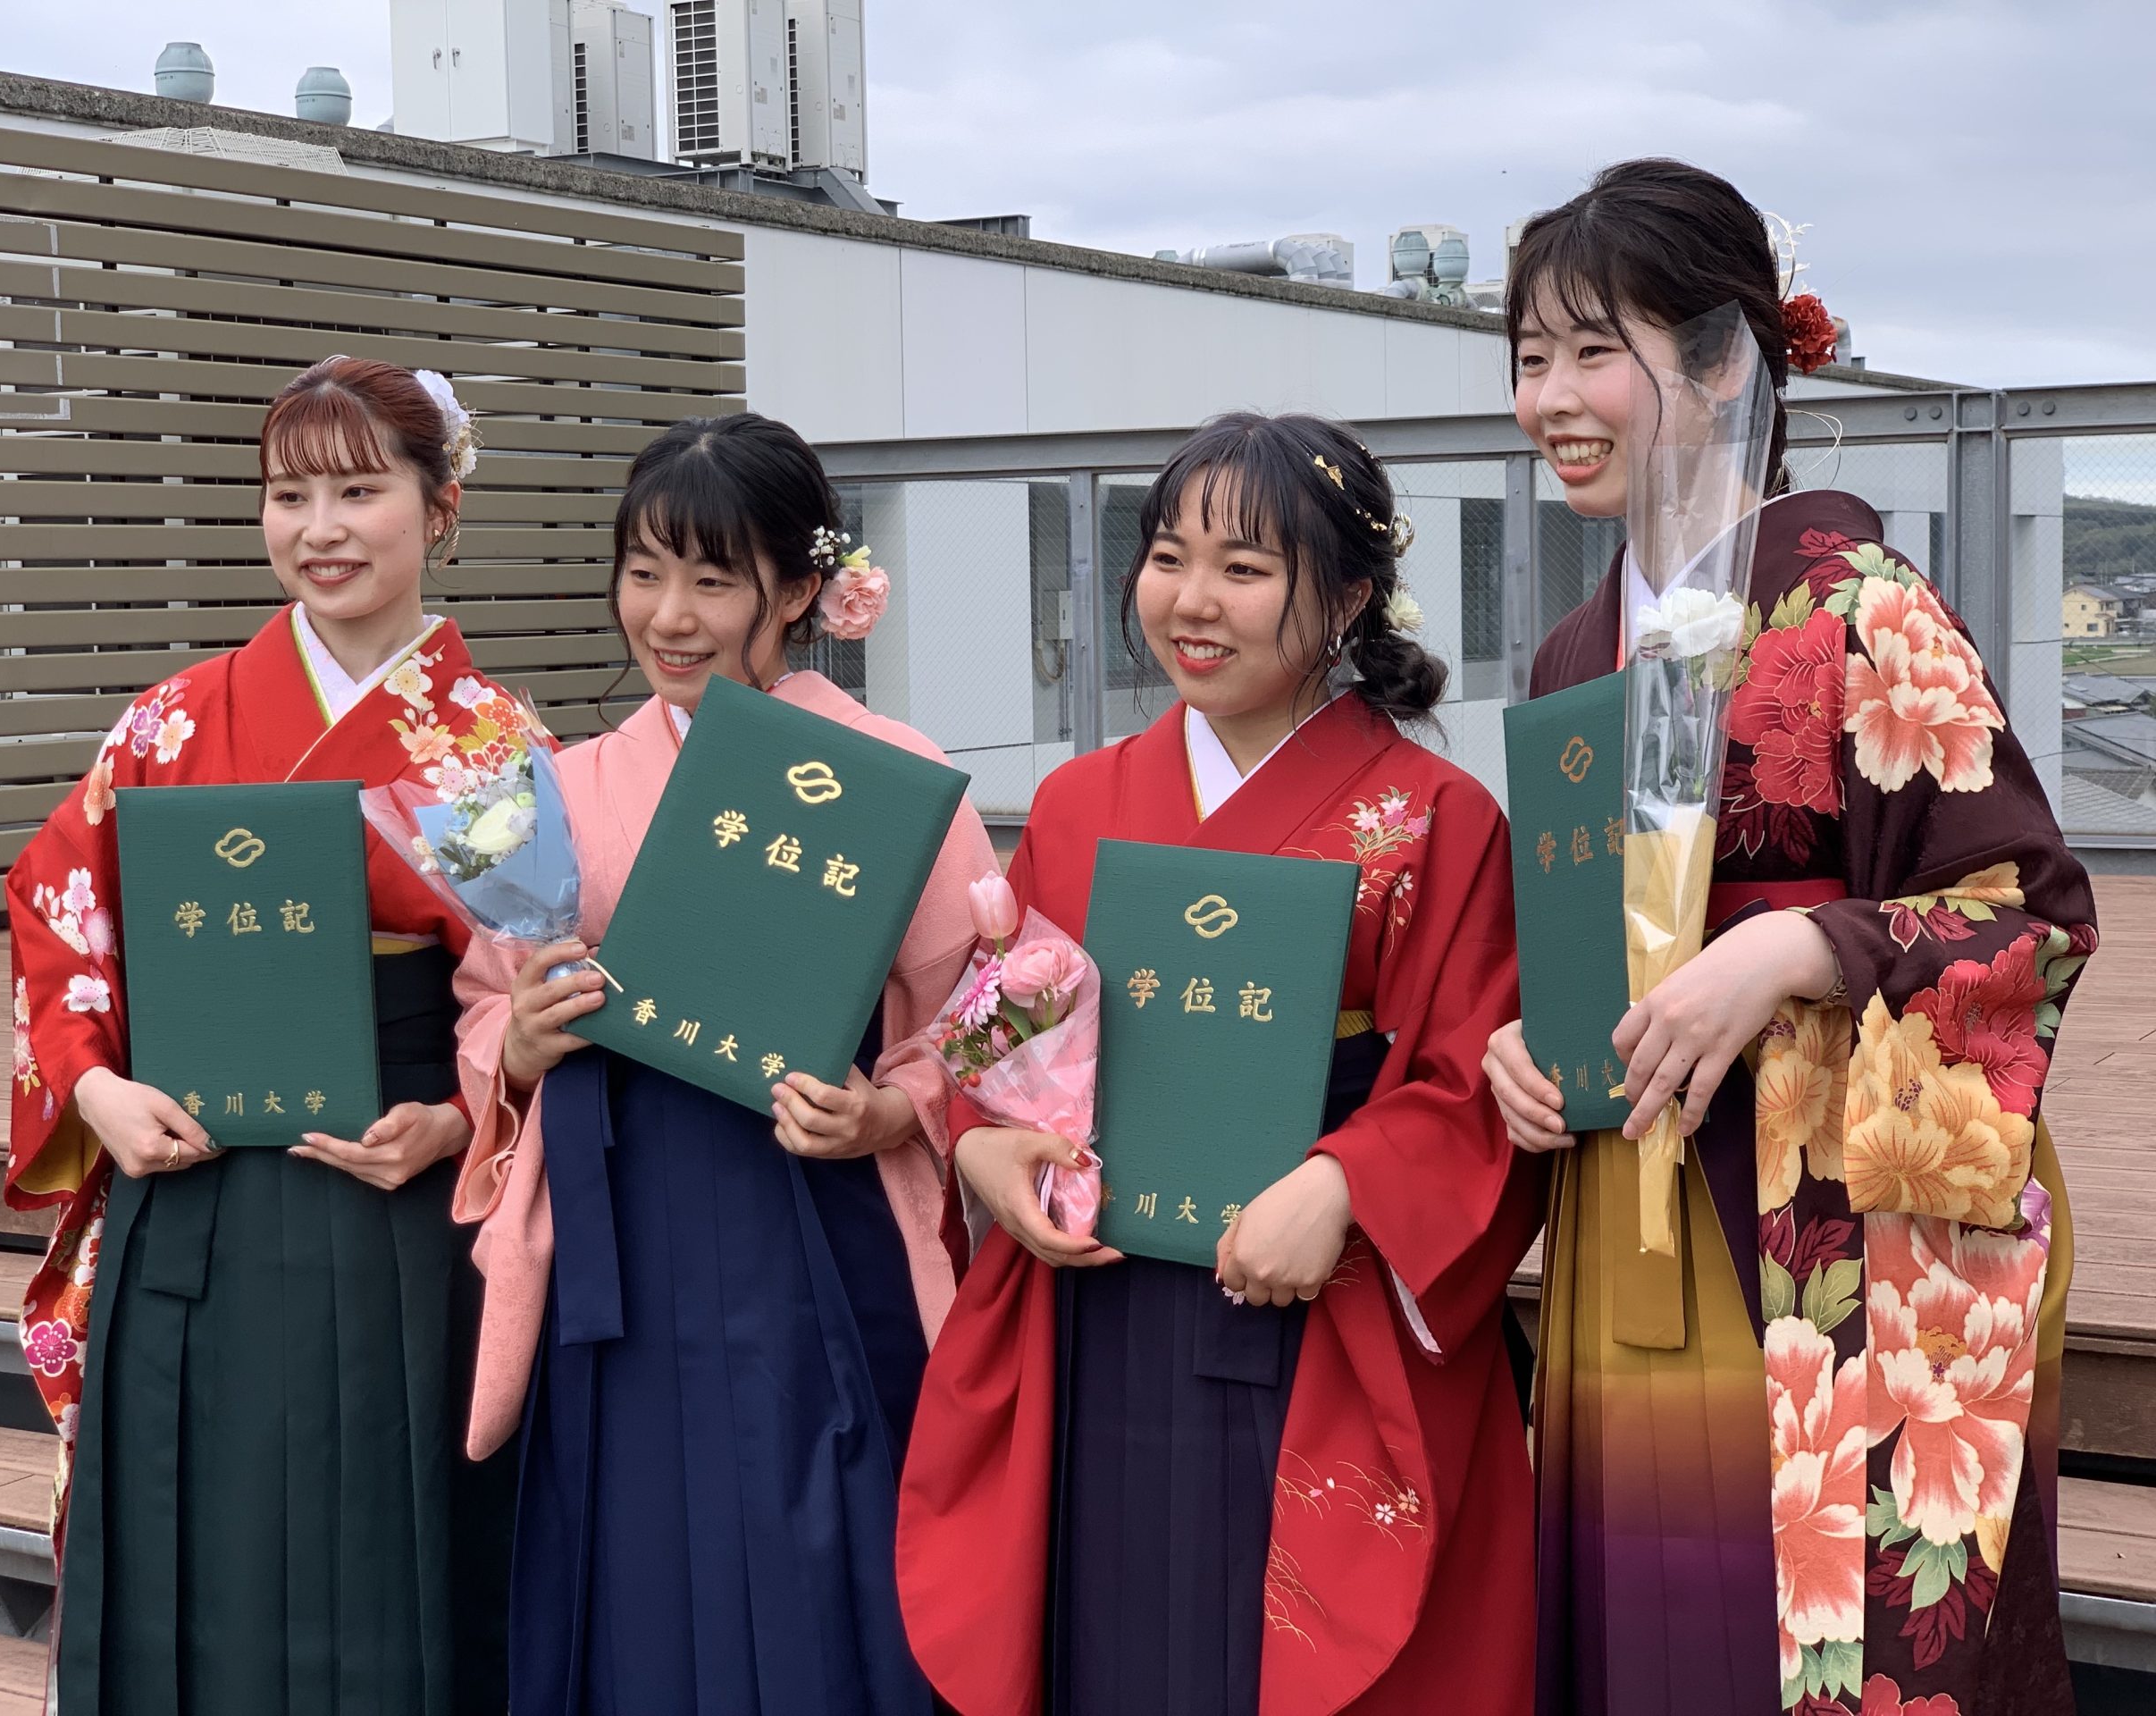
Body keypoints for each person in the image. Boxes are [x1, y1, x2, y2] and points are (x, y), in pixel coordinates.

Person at [1488, 159, 2098, 1716]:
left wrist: (1795, 950)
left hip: (1824, 1219)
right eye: (1530, 356)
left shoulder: (1858, 606)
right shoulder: (1573, 653)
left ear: (1720, 362)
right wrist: (1522, 1042)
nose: (1549, 397)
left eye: (1592, 352)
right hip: (1627, 1194)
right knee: (1647, 1618)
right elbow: (1573, 927)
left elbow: (2028, 915)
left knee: (1813, 1626)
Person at [898, 412, 1545, 1716]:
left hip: (1316, 1289)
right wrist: (984, 1145)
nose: (1192, 602)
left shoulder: (1435, 818)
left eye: (1244, 569)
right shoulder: (1080, 800)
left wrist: (1348, 1184)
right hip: (1098, 1295)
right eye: (1168, 558)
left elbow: (1477, 1078)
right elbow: (999, 1033)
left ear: (1347, 598)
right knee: (1111, 1627)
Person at [449, 411, 999, 1716]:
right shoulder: (551, 782)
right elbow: (479, 999)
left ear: (798, 590)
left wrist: (895, 1107)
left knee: (830, 1536)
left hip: (812, 1197)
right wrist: (516, 1043)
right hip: (622, 1214)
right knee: (632, 1549)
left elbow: (984, 1008)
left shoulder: (898, 774)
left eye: (713, 579)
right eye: (644, 573)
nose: (669, 617)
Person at [5, 355, 519, 1713]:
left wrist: (459, 1120)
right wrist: (94, 1087)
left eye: (359, 492)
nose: (320, 529)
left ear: (440, 507)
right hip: (186, 1180)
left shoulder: (487, 745)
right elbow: (59, 906)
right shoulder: (176, 718)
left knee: (378, 1548)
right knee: (183, 1531)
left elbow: (529, 987)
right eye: (290, 495)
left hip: (386, 1186)